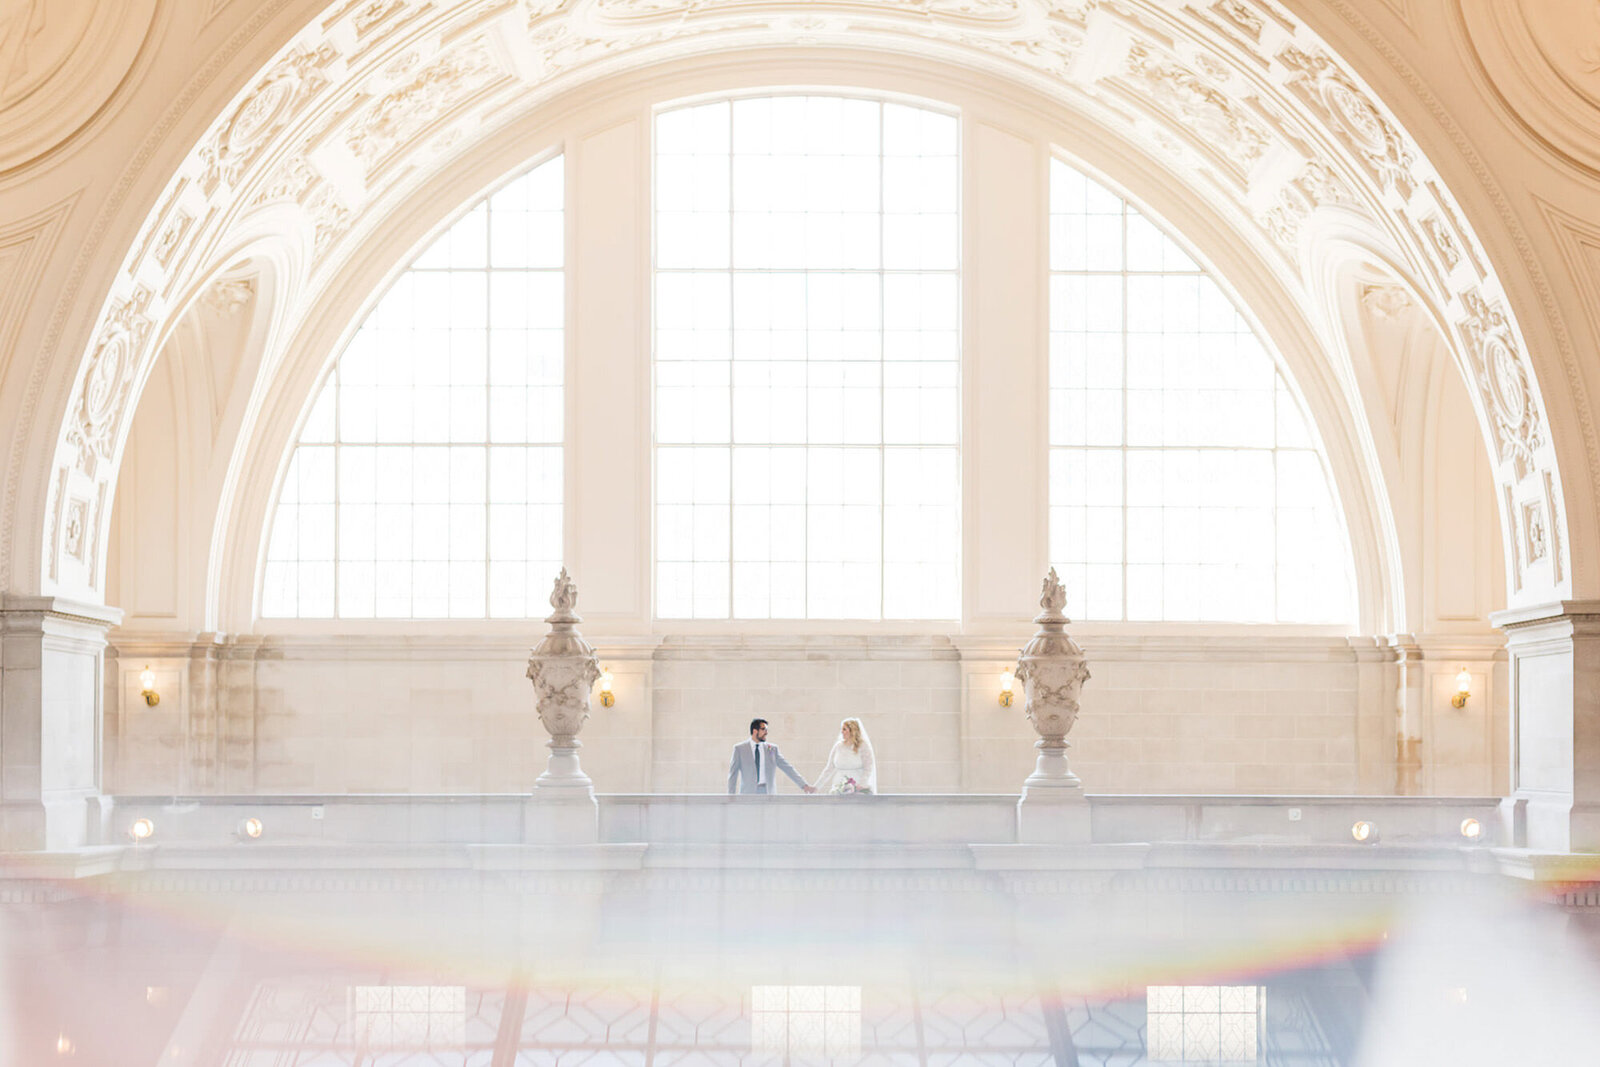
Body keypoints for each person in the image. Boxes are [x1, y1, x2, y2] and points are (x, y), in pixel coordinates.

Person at [727, 718, 815, 795]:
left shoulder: (772, 749)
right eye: (763, 729)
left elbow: (788, 768)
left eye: (767, 730)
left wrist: (804, 786)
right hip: (747, 794)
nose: (766, 732)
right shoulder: (740, 749)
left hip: (768, 793)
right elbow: (733, 775)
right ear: (755, 731)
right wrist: (731, 796)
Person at [811, 717, 877, 795]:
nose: (842, 732)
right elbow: (829, 769)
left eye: (844, 729)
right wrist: (816, 787)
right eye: (842, 729)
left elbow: (868, 768)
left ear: (852, 731)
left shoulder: (863, 746)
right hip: (839, 785)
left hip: (857, 785)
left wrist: (861, 784)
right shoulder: (838, 746)